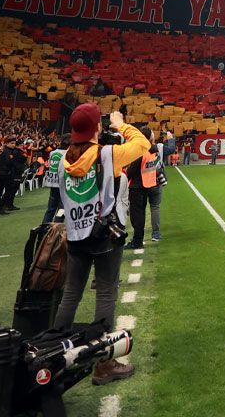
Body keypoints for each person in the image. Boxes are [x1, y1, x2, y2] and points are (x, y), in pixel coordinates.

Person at [53, 105, 149, 385]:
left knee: (70, 294)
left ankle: (55, 356)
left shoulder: (61, 159)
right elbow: (143, 144)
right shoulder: (108, 155)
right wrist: (121, 124)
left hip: (75, 236)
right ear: (97, 127)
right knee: (106, 294)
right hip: (104, 236)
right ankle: (104, 364)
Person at [126, 127, 173, 248]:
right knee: (154, 208)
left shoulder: (139, 149)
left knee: (138, 214)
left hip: (139, 185)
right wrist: (170, 138)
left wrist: (124, 179)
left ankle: (137, 240)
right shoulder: (156, 148)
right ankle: (155, 234)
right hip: (152, 182)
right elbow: (171, 149)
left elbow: (132, 169)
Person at [40, 134, 69, 224]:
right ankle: (56, 227)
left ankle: (44, 228)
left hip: (53, 184)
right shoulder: (67, 154)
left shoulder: (53, 152)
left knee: (51, 208)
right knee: (61, 209)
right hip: (63, 184)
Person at [0, 137, 25, 215]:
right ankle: (0, 207)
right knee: (8, 191)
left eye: (14, 143)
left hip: (1, 173)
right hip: (5, 173)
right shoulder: (7, 151)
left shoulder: (4, 150)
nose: (14, 145)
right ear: (6, 143)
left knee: (0, 191)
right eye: (12, 143)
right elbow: (9, 162)